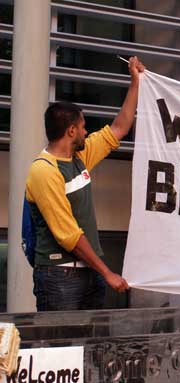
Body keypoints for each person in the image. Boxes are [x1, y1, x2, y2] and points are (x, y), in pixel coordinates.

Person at [25, 56, 145, 311]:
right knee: (62, 349)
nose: (86, 132)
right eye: (82, 127)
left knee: (90, 349)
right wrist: (107, 273)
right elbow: (68, 236)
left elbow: (119, 128)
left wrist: (136, 82)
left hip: (89, 272)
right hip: (59, 277)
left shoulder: (79, 156)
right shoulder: (43, 171)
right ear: (70, 131)